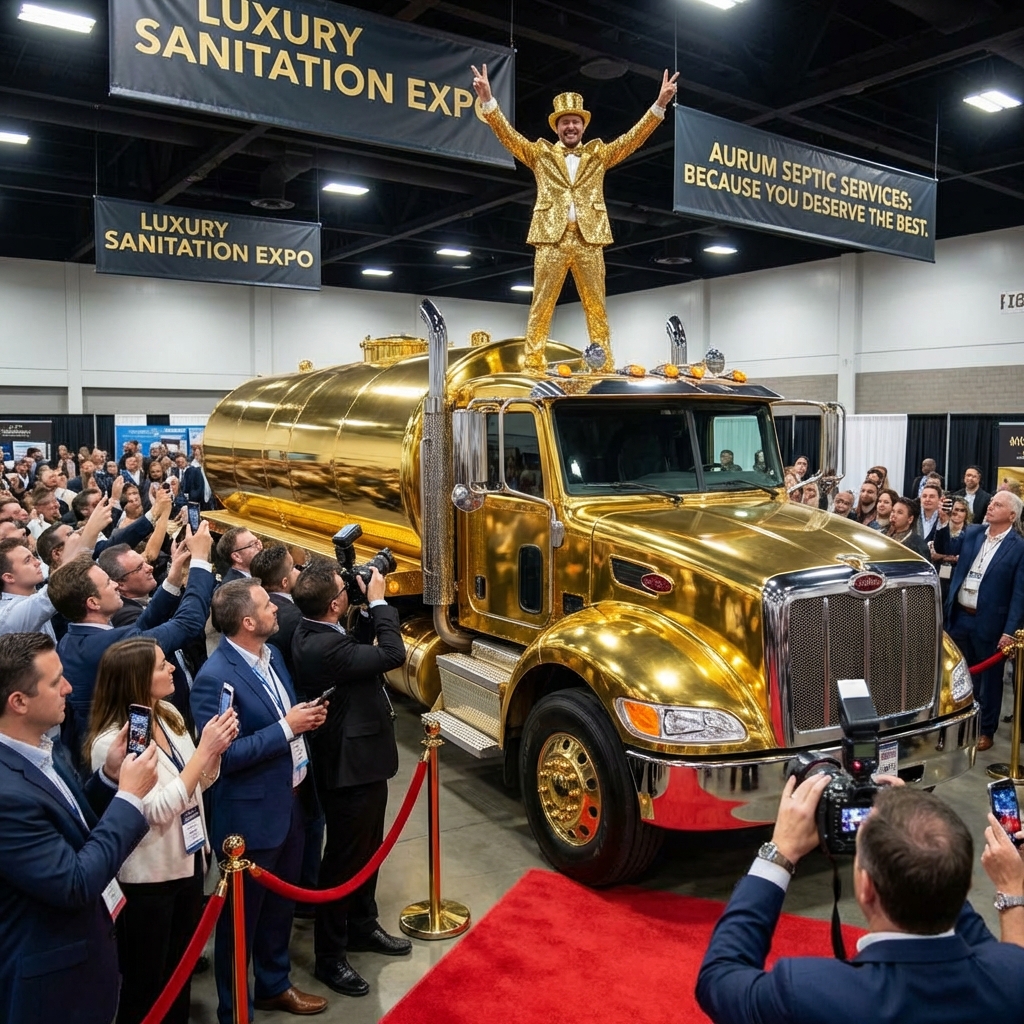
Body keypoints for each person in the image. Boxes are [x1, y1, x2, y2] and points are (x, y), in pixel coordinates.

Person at [695, 778, 1024, 1024]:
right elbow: (1003, 958)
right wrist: (1011, 887)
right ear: (966, 884)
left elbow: (719, 977)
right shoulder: (1009, 979)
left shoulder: (806, 992)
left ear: (866, 889)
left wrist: (779, 853)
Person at [471, 63, 679, 372]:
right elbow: (508, 136)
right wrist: (488, 102)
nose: (571, 127)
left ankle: (604, 364)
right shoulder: (539, 154)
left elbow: (633, 139)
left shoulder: (598, 154)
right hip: (551, 239)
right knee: (541, 304)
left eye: (576, 122)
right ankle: (533, 364)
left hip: (589, 238)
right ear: (557, 127)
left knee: (596, 306)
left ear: (583, 126)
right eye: (565, 122)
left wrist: (660, 104)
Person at [0, 632, 158, 1024]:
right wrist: (129, 798)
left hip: (90, 953)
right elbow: (73, 882)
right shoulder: (5, 795)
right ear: (18, 702)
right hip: (51, 983)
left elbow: (74, 824)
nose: (69, 688)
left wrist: (108, 778)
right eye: (56, 683)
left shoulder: (42, 747)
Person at [191, 580, 329, 1023]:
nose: (276, 609)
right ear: (247, 622)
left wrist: (302, 720)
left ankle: (274, 985)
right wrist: (288, 727)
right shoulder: (215, 678)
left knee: (279, 909)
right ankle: (236, 1011)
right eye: (268, 605)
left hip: (291, 800)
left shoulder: (273, 656)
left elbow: (280, 718)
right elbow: (223, 757)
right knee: (241, 922)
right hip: (248, 818)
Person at [86, 638, 238, 1024]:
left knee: (180, 972)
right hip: (147, 881)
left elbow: (195, 784)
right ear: (135, 680)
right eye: (159, 666)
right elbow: (151, 810)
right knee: (148, 984)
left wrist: (213, 755)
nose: (171, 668)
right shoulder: (112, 743)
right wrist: (204, 752)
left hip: (188, 863)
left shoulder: (167, 713)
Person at [291, 561, 410, 998]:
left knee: (366, 852)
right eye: (346, 588)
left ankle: (361, 925)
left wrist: (361, 608)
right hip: (349, 769)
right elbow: (392, 655)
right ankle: (330, 956)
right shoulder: (324, 647)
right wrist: (378, 600)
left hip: (359, 761)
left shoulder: (317, 632)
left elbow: (357, 649)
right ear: (335, 603)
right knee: (343, 861)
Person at [50, 522, 216, 760]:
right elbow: (187, 624)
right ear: (93, 603)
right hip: (129, 753)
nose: (116, 585)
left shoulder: (71, 639)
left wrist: (172, 579)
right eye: (108, 583)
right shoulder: (109, 643)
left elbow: (140, 627)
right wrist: (200, 561)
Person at [945, 490, 1024, 750]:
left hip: (990, 622)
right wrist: (950, 525)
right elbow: (947, 548)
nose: (990, 506)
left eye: (998, 504)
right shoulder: (973, 533)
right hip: (960, 616)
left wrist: (1010, 631)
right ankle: (959, 725)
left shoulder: (1019, 546)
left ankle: (986, 730)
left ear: (1012, 515)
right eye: (991, 503)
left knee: (989, 682)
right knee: (960, 677)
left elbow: (1019, 594)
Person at [250, 544, 303, 679]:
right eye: (293, 568)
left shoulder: (251, 607)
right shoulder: (295, 617)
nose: (298, 572)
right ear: (284, 582)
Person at [932, 497, 971, 604]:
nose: (957, 513)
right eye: (955, 509)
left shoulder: (970, 532)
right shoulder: (940, 528)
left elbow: (967, 557)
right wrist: (953, 558)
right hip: (940, 574)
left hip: (960, 576)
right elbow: (934, 553)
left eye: (961, 510)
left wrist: (943, 557)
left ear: (966, 513)